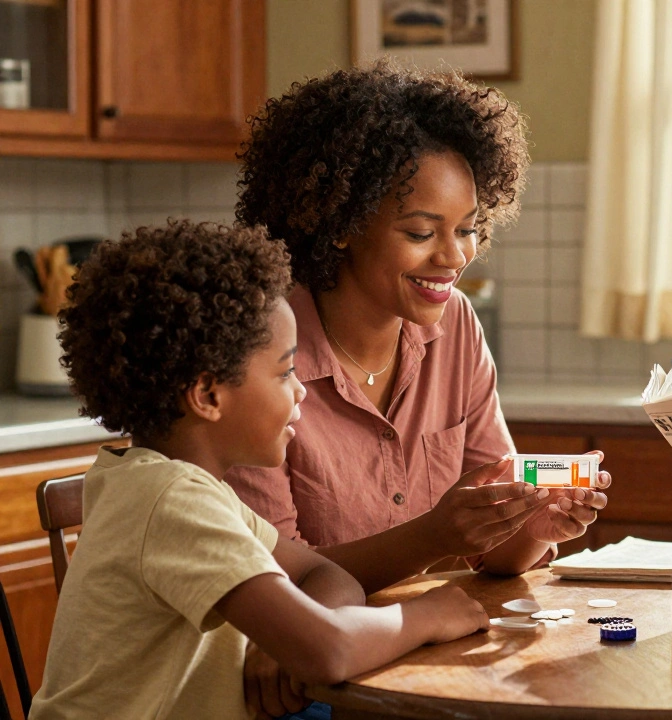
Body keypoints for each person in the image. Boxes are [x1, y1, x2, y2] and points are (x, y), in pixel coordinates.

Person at [226, 64, 611, 715]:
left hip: (421, 666)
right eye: (420, 233)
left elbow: (495, 546)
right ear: (340, 222)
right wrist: (436, 535)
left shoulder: (455, 327)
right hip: (296, 684)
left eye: (467, 230)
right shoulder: (262, 351)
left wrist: (532, 523)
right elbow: (285, 591)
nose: (455, 258)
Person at [31, 221, 490, 719]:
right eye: (285, 371)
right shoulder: (170, 502)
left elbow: (326, 574)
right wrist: (426, 615)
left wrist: (298, 635)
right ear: (208, 395)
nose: (300, 391)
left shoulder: (179, 486)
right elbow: (329, 651)